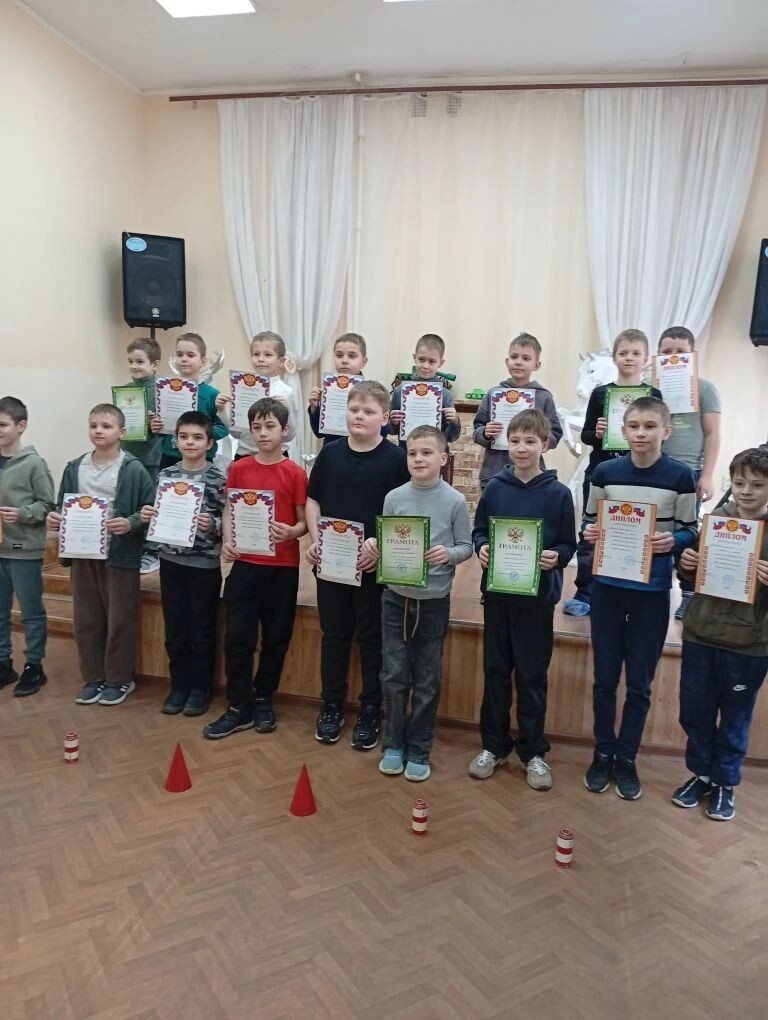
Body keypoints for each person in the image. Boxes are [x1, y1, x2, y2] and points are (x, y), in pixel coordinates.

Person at [582, 396, 697, 800]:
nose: (641, 433)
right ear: (623, 430)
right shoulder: (605, 472)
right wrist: (590, 533)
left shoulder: (681, 476)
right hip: (608, 588)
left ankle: (627, 757)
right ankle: (602, 753)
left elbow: (690, 529)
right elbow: (590, 522)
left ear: (666, 431)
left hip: (652, 591)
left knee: (639, 684)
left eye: (650, 426)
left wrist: (674, 540)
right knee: (604, 679)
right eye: (634, 426)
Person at [468, 410, 576, 790]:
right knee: (496, 672)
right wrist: (482, 547)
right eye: (515, 441)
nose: (521, 448)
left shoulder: (559, 494)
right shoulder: (495, 488)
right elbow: (480, 531)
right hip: (498, 596)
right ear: (506, 443)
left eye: (530, 441)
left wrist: (557, 556)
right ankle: (493, 746)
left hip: (537, 600)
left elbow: (568, 543)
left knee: (531, 677)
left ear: (545, 444)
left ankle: (532, 752)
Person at [363, 425, 471, 781]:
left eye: (427, 453)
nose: (419, 459)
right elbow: (386, 541)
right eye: (412, 453)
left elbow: (466, 546)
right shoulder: (394, 497)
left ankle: (420, 746)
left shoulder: (455, 501)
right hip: (395, 598)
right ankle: (394, 742)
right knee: (393, 674)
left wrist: (448, 554)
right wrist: (374, 546)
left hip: (434, 601)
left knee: (427, 678)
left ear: (443, 458)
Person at [306, 380, 410, 748]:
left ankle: (369, 708)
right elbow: (313, 500)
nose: (360, 416)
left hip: (372, 566)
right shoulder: (330, 454)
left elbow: (404, 513)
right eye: (354, 410)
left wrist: (379, 546)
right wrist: (316, 541)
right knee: (334, 635)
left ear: (385, 417)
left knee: (371, 638)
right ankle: (331, 705)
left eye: (368, 411)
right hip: (332, 562)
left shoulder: (396, 460)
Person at [672, 447, 768, 822]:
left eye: (757, 485)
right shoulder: (716, 521)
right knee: (694, 710)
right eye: (740, 483)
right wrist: (687, 563)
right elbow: (691, 574)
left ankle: (725, 781)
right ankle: (702, 775)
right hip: (702, 633)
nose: (746, 491)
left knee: (735, 717)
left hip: (749, 643)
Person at [204, 398, 308, 739]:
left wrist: (292, 532)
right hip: (245, 565)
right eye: (257, 427)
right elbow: (230, 510)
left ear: (285, 430)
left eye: (270, 427)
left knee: (276, 638)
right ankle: (239, 705)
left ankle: (264, 699)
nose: (263, 433)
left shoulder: (295, 472)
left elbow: (303, 520)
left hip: (282, 567)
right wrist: (228, 538)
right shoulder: (240, 468)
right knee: (237, 638)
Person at [48, 404, 154, 706]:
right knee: (87, 618)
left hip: (118, 556)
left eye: (106, 426)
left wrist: (131, 522)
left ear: (121, 432)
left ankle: (119, 679)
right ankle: (93, 677)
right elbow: (62, 504)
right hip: (82, 554)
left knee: (119, 619)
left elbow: (149, 509)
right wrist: (56, 518)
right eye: (93, 425)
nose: (98, 431)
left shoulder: (133, 468)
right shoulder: (74, 467)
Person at [564, 329, 662, 616]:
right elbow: (585, 435)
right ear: (615, 358)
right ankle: (585, 592)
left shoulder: (653, 396)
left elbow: (660, 438)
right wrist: (597, 432)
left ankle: (626, 595)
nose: (629, 358)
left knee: (633, 534)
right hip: (601, 474)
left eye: (635, 353)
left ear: (646, 359)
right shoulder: (600, 394)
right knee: (591, 532)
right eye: (623, 353)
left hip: (640, 476)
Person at [140, 412, 225, 717]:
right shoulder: (166, 476)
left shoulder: (219, 479)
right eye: (184, 437)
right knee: (175, 628)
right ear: (175, 441)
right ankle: (179, 686)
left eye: (197, 437)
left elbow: (229, 522)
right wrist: (149, 515)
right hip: (171, 561)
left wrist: (213, 524)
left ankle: (201, 688)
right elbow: (157, 513)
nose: (190, 442)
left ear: (209, 443)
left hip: (204, 564)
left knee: (202, 629)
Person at [657, 326, 722, 620]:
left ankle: (687, 594)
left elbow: (713, 434)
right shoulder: (652, 388)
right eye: (667, 352)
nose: (673, 356)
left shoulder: (705, 388)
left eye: (680, 352)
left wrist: (707, 475)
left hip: (689, 471)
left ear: (692, 355)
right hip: (656, 468)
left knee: (687, 534)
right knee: (655, 532)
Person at [0, 396, 55, 696]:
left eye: (3, 425)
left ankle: (34, 666)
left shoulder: (34, 463)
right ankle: (3, 663)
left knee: (31, 612)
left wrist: (23, 513)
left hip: (23, 549)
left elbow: (47, 504)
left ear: (21, 426)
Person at [472, 332, 562, 489]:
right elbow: (477, 431)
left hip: (531, 477)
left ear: (536, 365)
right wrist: (485, 433)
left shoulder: (544, 397)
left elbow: (555, 433)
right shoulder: (493, 394)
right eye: (514, 357)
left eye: (526, 358)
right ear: (507, 361)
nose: (518, 362)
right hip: (494, 472)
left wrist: (539, 439)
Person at [215, 330, 299, 461]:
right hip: (244, 456)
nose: (260, 359)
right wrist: (222, 411)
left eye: (268, 354)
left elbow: (289, 436)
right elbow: (236, 434)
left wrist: (286, 410)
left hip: (276, 458)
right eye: (256, 354)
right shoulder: (241, 388)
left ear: (281, 361)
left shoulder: (286, 392)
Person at [119, 336, 163, 574]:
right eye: (130, 361)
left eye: (140, 361)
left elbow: (170, 426)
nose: (134, 366)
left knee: (150, 504)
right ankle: (134, 547)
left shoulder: (162, 391)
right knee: (130, 503)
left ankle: (152, 550)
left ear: (154, 365)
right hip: (127, 457)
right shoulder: (125, 392)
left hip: (151, 458)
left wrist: (156, 424)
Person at [152, 332, 229, 468]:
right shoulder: (165, 390)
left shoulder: (212, 394)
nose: (184, 359)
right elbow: (161, 426)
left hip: (202, 458)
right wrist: (155, 426)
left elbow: (223, 427)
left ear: (203, 361)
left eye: (190, 355)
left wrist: (203, 434)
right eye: (180, 354)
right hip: (170, 455)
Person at [388, 334, 461, 449]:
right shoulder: (400, 391)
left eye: (432, 361)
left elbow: (451, 437)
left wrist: (454, 422)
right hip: (407, 452)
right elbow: (392, 431)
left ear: (441, 363)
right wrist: (393, 422)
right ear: (414, 357)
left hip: (436, 453)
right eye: (421, 359)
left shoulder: (446, 395)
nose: (425, 366)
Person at [307, 332, 369, 447]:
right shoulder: (328, 391)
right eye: (339, 355)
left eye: (352, 356)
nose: (344, 360)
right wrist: (315, 408)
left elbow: (382, 432)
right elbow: (318, 433)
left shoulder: (373, 393)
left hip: (363, 450)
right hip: (332, 450)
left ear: (363, 362)